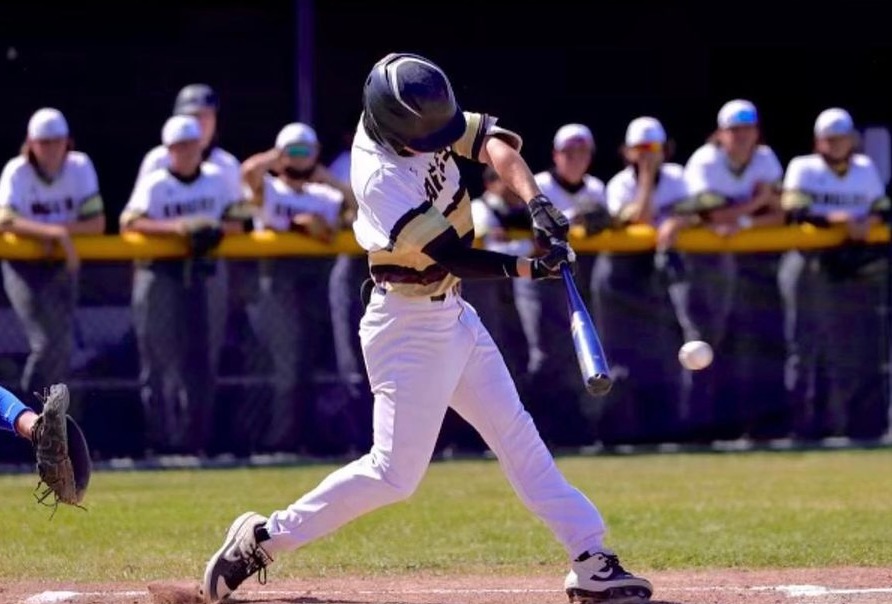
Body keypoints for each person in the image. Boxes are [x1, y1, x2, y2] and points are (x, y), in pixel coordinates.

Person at [200, 52, 653, 604]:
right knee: (394, 475)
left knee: (518, 435)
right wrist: (530, 268)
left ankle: (590, 555)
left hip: (453, 313)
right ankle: (262, 540)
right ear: (393, 127)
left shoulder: (421, 116)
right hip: (407, 327)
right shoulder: (379, 177)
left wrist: (537, 202)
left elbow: (494, 143)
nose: (439, 142)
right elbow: (452, 256)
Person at [121, 115, 245, 456]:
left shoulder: (216, 179)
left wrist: (212, 229)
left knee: (202, 360)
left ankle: (196, 441)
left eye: (192, 145)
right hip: (160, 273)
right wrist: (178, 228)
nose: (187, 152)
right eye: (180, 147)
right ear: (169, 150)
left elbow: (239, 223)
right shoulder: (156, 183)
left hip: (204, 273)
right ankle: (160, 441)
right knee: (159, 360)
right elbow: (129, 223)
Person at [241, 122, 353, 453]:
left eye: (306, 151)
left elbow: (357, 209)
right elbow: (249, 174)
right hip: (277, 283)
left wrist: (328, 178)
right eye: (294, 151)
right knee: (287, 365)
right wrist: (276, 156)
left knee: (321, 361)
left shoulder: (325, 195)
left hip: (317, 283)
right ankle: (281, 439)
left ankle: (319, 437)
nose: (300, 157)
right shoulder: (271, 189)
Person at [781, 108, 890, 441]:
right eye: (830, 139)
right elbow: (795, 210)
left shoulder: (864, 168)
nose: (836, 145)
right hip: (809, 263)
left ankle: (855, 425)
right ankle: (802, 427)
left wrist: (867, 222)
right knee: (804, 347)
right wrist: (843, 219)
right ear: (819, 142)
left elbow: (882, 208)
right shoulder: (803, 167)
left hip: (852, 267)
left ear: (851, 140)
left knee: (852, 347)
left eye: (841, 138)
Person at [682, 99, 787, 442]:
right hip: (704, 266)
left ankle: (757, 426)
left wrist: (742, 219)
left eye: (747, 129)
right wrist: (757, 204)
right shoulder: (705, 160)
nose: (741, 136)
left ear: (756, 132)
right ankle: (700, 430)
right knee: (709, 342)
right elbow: (712, 216)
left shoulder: (765, 158)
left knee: (755, 344)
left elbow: (781, 214)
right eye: (734, 130)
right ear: (721, 133)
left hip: (754, 266)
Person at [591, 117, 691, 444]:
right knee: (619, 356)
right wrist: (646, 178)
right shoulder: (620, 184)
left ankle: (662, 431)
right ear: (627, 152)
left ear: (666, 149)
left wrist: (677, 220)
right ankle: (617, 435)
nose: (647, 154)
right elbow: (640, 217)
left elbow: (697, 211)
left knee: (660, 353)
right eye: (640, 149)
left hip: (655, 274)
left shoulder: (677, 177)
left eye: (653, 148)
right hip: (618, 276)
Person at [0, 108, 105, 397]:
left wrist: (53, 234)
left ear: (67, 142)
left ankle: (51, 413)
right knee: (45, 343)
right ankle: (27, 408)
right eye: (43, 143)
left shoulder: (79, 166)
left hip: (61, 264)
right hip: (23, 265)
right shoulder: (17, 170)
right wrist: (54, 233)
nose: (51, 149)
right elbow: (5, 221)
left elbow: (97, 223)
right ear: (31, 144)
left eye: (57, 141)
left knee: (62, 346)